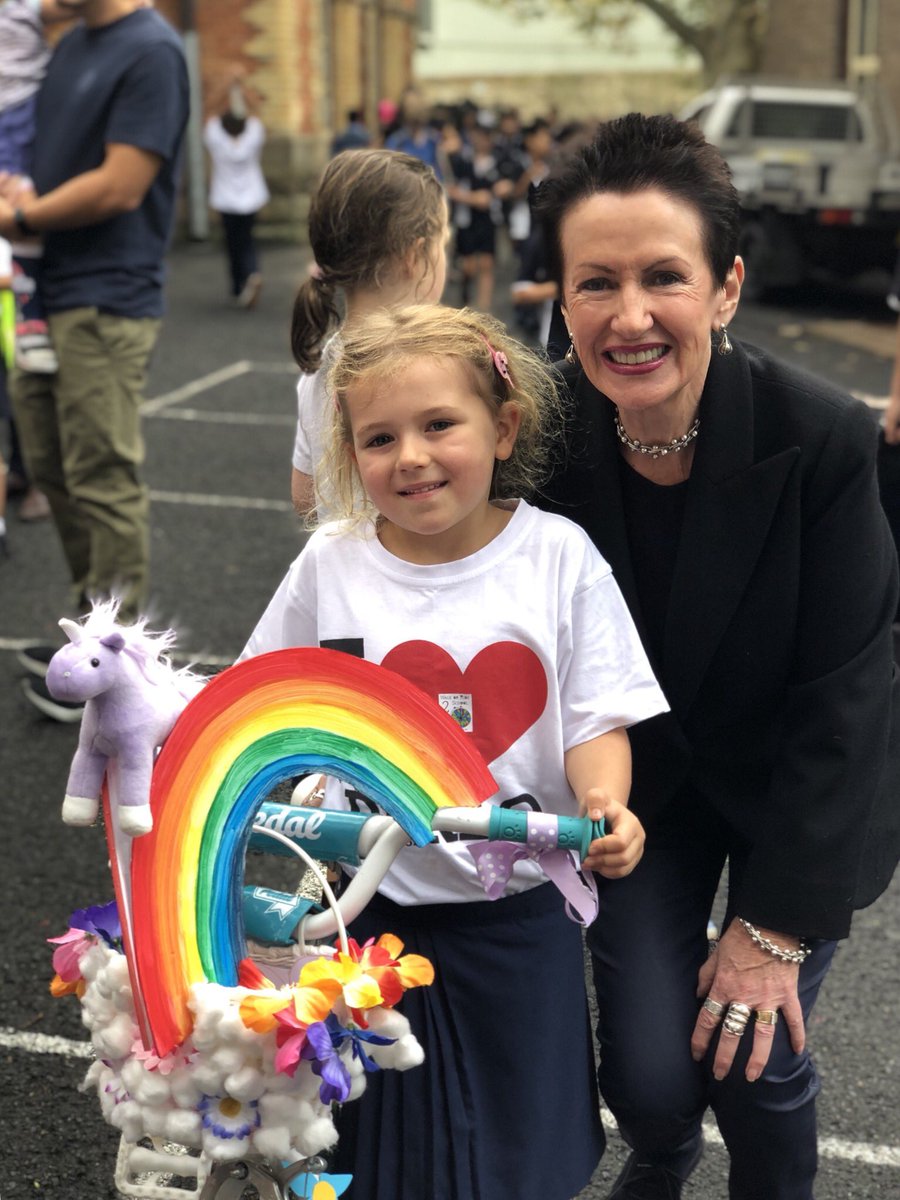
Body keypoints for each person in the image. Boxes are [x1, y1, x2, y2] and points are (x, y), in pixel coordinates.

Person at [533, 111, 900, 1200]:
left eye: (665, 278)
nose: (630, 316)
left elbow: (849, 694)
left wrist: (773, 926)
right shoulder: (537, 436)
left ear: (727, 288)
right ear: (561, 299)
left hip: (793, 781)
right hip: (638, 785)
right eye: (597, 283)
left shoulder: (822, 439)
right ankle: (663, 1155)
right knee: (649, 1080)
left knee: (753, 1052)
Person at [240, 303, 670, 1200]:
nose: (411, 456)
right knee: (362, 1137)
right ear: (348, 453)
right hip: (364, 910)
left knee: (522, 1138)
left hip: (517, 915)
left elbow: (595, 715)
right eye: (379, 437)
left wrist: (604, 803)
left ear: (504, 428)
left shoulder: (558, 557)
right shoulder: (332, 561)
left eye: (440, 425)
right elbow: (260, 697)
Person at [0, 0, 189, 719]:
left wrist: (21, 216)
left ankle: (116, 672)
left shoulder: (152, 51)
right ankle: (91, 635)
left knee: (101, 477)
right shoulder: (71, 45)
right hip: (45, 293)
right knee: (51, 467)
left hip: (107, 299)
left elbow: (121, 184)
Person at [289, 147, 449, 522]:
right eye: (443, 244)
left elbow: (303, 495)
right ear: (416, 256)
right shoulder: (440, 365)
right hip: (419, 553)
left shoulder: (321, 367)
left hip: (343, 556)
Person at [203, 72, 269, 309]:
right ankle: (252, 273)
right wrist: (242, 87)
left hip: (226, 199)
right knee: (248, 239)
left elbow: (208, 110)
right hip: (251, 197)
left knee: (232, 242)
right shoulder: (252, 135)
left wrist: (225, 86)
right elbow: (257, 111)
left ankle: (238, 286)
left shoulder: (217, 138)